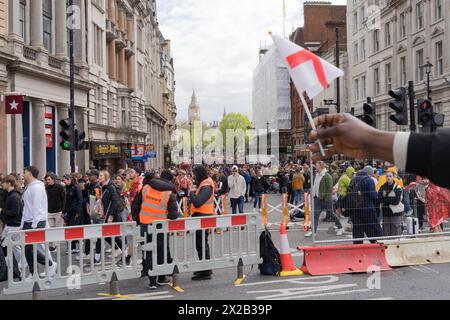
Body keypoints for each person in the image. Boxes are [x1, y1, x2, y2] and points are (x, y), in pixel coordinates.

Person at [131, 170, 178, 289]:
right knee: (161, 252)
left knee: (148, 252)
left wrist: (138, 221)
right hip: (160, 227)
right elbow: (173, 215)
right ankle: (162, 278)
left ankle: (152, 282)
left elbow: (135, 206)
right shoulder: (169, 193)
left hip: (145, 225)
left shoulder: (146, 188)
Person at [21, 166, 57, 278]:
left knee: (30, 248)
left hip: (35, 221)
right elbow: (27, 207)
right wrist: (23, 223)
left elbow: (37, 207)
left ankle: (50, 264)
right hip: (29, 221)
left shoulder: (36, 188)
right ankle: (33, 272)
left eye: (25, 172)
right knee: (28, 249)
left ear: (30, 173)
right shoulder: (30, 187)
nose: (23, 174)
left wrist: (34, 225)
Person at [189, 166, 216, 281]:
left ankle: (206, 271)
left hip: (203, 217)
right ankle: (204, 268)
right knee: (200, 244)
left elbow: (198, 202)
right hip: (201, 217)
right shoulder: (204, 184)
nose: (193, 177)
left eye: (194, 175)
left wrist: (191, 194)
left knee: (202, 244)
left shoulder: (206, 185)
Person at [345, 167, 384, 244]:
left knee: (358, 233)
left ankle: (358, 251)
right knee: (374, 231)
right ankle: (377, 247)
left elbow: (348, 193)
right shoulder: (369, 180)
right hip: (368, 210)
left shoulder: (353, 180)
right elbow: (373, 196)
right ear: (369, 173)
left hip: (355, 211)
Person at [95, 170, 125, 265]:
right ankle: (97, 257)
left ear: (106, 177)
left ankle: (126, 253)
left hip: (112, 216)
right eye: (99, 175)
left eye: (101, 175)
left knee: (113, 236)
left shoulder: (111, 187)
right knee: (103, 236)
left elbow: (115, 202)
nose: (99, 177)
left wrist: (111, 216)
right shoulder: (101, 187)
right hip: (104, 215)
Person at [307, 161, 344, 237]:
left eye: (316, 165)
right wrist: (313, 194)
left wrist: (325, 198)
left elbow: (329, 189)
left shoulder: (327, 176)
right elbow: (315, 186)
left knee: (331, 214)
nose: (315, 167)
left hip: (326, 199)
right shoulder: (317, 175)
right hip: (317, 198)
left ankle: (340, 228)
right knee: (315, 215)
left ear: (321, 166)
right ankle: (313, 232)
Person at [0, 175, 25, 272]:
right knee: (6, 244)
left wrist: (2, 211)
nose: (2, 184)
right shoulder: (11, 195)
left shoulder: (14, 196)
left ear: (9, 183)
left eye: (3, 182)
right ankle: (12, 265)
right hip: (10, 225)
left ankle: (20, 265)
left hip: (14, 225)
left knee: (15, 247)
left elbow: (15, 212)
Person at [378, 170, 404, 237]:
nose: (388, 177)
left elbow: (396, 201)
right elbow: (379, 198)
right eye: (387, 176)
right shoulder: (382, 187)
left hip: (396, 214)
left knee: (395, 234)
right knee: (386, 235)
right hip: (386, 214)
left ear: (393, 177)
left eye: (390, 176)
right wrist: (390, 198)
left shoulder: (398, 188)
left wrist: (385, 198)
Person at [62, 174, 84, 253]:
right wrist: (63, 211)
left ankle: (74, 245)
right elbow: (66, 201)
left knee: (72, 228)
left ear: (69, 180)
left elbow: (80, 199)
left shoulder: (76, 187)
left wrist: (78, 211)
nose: (63, 182)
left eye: (64, 180)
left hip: (75, 211)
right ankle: (72, 247)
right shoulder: (66, 188)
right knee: (69, 228)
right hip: (69, 211)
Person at [44, 173, 66, 251]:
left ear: (53, 179)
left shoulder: (60, 187)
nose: (47, 181)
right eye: (46, 180)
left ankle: (55, 245)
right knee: (50, 229)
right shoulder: (46, 188)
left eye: (49, 179)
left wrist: (63, 210)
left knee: (58, 229)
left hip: (58, 211)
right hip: (49, 211)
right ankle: (51, 245)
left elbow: (64, 199)